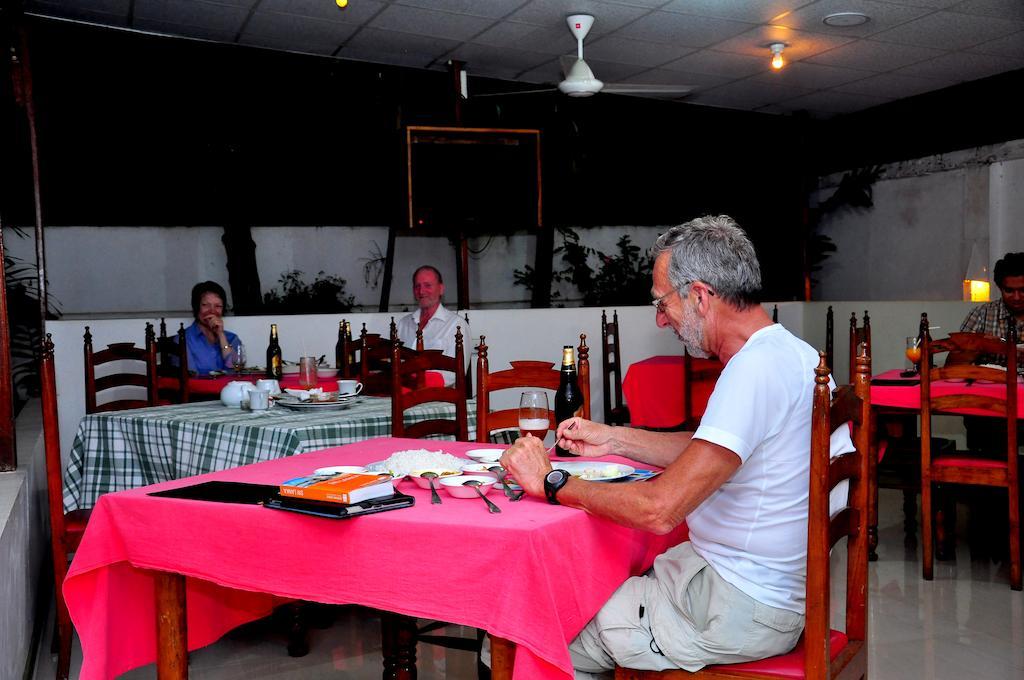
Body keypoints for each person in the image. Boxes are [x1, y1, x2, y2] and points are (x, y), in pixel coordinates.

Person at [500, 215, 853, 679]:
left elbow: (659, 510)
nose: (660, 318)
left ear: (701, 296)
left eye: (663, 302)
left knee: (531, 628)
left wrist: (551, 481)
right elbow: (713, 451)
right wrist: (614, 437)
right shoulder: (792, 354)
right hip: (768, 592)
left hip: (736, 604)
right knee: (585, 586)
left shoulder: (753, 371)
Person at [395, 265, 471, 385]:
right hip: (404, 395)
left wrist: (418, 381)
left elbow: (456, 373)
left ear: (441, 289)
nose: (421, 291)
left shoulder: (457, 325)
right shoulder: (403, 324)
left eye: (427, 285)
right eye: (417, 286)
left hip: (439, 399)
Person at [958, 251, 1024, 364]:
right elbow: (953, 365)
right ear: (999, 288)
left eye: (1023, 290)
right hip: (990, 381)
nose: (1017, 297)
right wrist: (980, 346)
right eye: (1009, 291)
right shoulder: (981, 314)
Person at [182, 281, 240, 375]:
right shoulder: (184, 339)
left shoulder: (232, 338)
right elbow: (190, 378)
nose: (212, 311)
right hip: (199, 389)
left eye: (218, 306)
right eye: (205, 305)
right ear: (196, 307)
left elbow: (236, 370)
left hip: (229, 389)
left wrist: (221, 335)